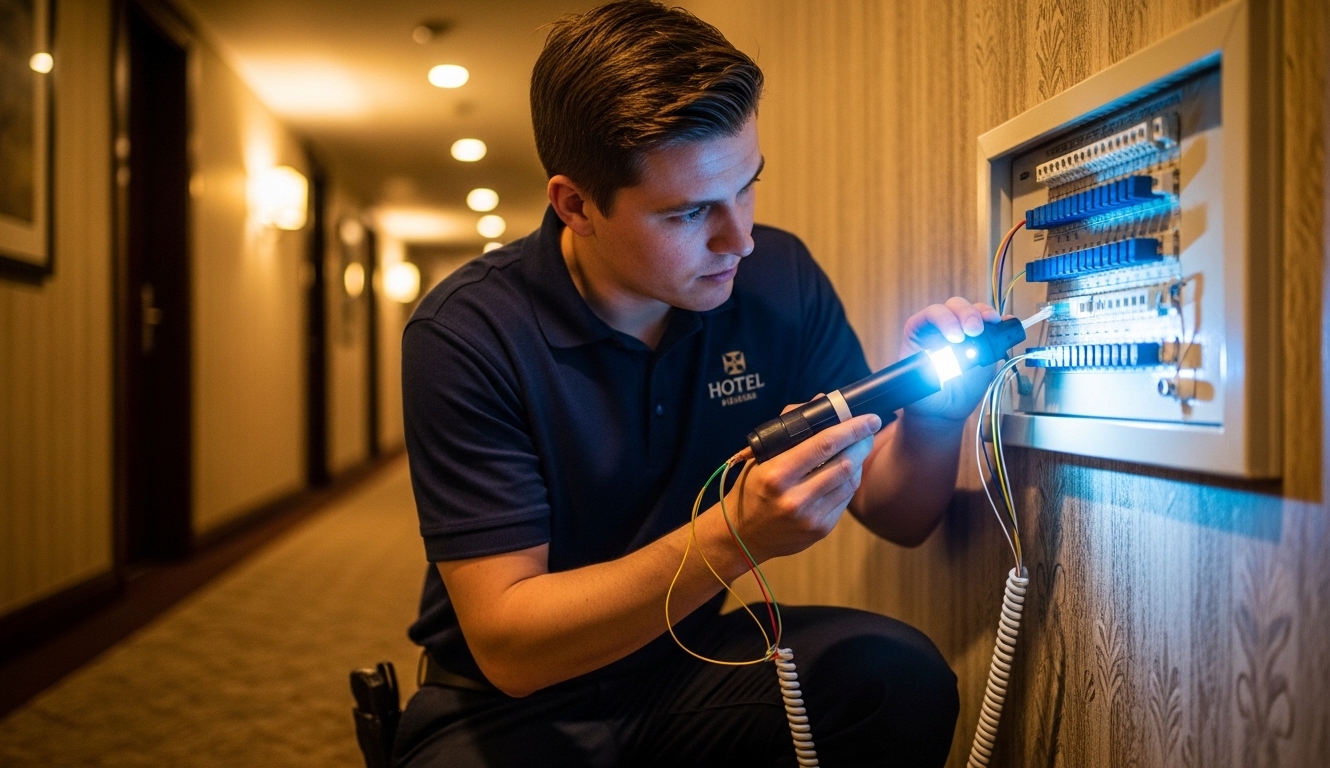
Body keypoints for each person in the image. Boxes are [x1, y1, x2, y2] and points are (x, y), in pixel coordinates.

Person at [393, 3, 1002, 766]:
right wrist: (733, 536)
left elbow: (899, 514)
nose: (739, 238)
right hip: (502, 703)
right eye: (689, 214)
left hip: (686, 660)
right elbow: (513, 647)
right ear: (576, 205)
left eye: (747, 186)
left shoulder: (777, 278)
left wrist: (938, 415)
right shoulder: (467, 333)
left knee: (893, 678)